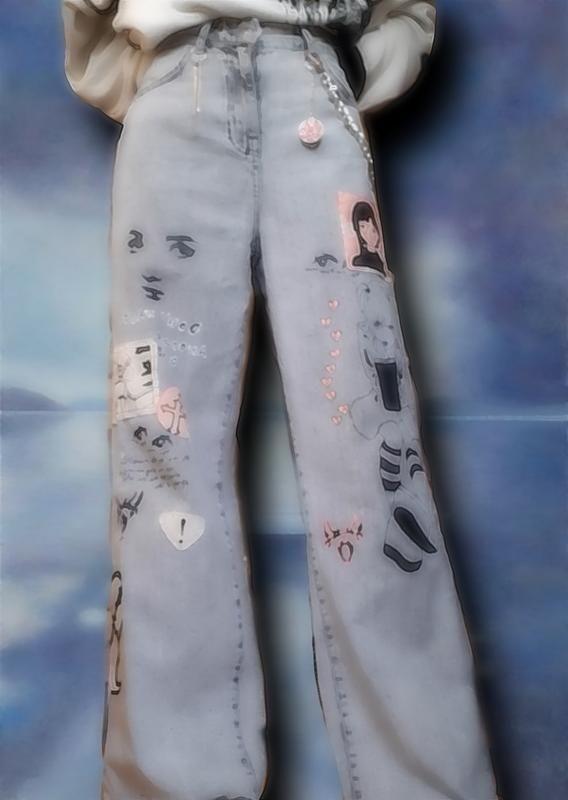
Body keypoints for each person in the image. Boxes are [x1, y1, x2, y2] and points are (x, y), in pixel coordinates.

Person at [60, 2, 499, 799]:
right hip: (173, 102)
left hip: (313, 91)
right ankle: (170, 783)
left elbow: (409, 13)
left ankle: (426, 781)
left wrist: (350, 69)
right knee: (159, 475)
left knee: (373, 455)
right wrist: (156, 81)